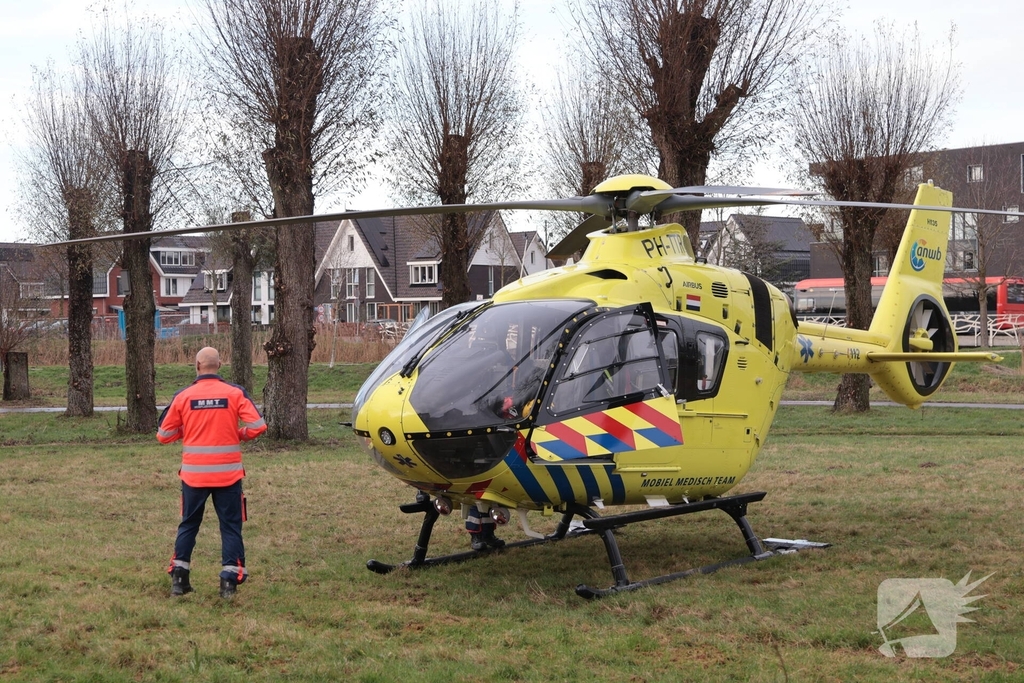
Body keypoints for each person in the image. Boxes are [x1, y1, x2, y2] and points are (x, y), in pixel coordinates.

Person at [157, 347, 267, 598]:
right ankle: (229, 580)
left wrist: (187, 431)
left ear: (197, 365)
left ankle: (179, 579)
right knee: (230, 526)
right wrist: (240, 434)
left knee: (188, 524)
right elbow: (258, 426)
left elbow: (163, 435)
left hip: (194, 476)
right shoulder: (234, 393)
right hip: (228, 475)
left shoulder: (184, 396)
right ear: (220, 365)